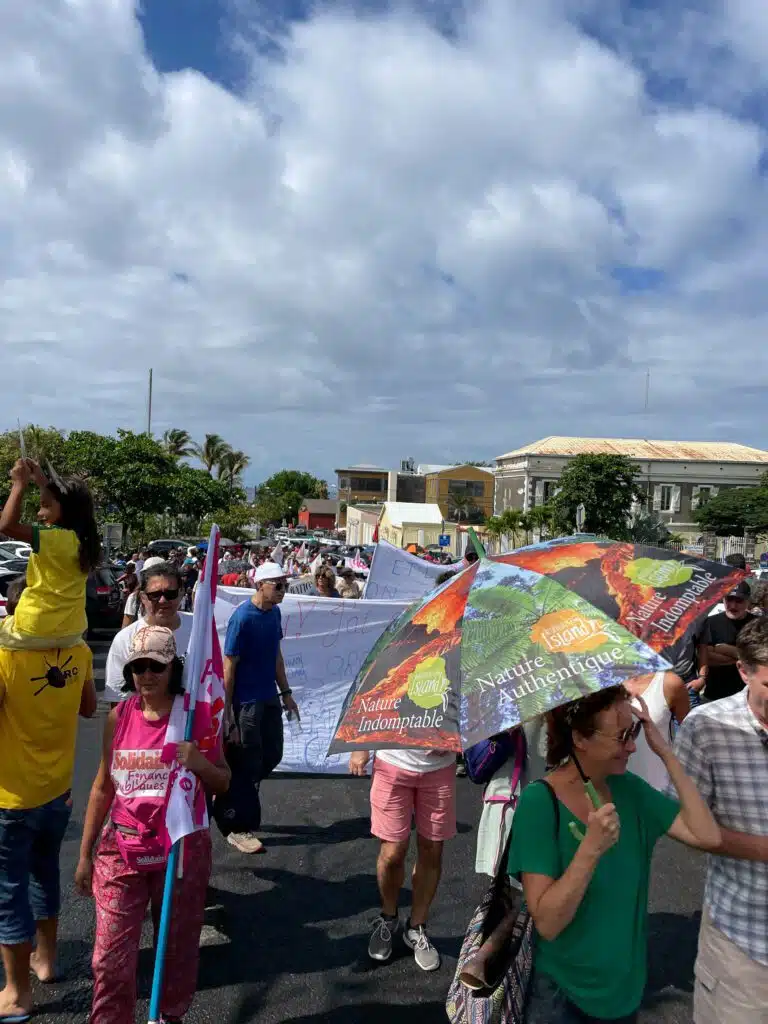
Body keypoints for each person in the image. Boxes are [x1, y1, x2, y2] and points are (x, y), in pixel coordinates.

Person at [509, 685, 720, 1023]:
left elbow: (707, 835)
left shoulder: (630, 791)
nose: (633, 746)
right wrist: (590, 849)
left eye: (634, 731)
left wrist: (666, 752)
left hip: (623, 991)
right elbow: (547, 923)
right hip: (562, 997)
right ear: (580, 738)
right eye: (622, 736)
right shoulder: (540, 803)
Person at [75, 626, 230, 1024]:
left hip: (179, 854)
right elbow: (102, 786)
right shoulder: (118, 717)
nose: (146, 675)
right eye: (138, 667)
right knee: (109, 961)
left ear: (172, 668)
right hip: (120, 852)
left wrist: (199, 763)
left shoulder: (194, 716)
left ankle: (168, 1017)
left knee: (175, 954)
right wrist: (84, 853)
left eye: (155, 667)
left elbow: (224, 780)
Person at [671, 617, 768, 1023]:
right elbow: (679, 820)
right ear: (744, 672)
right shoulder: (708, 727)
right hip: (744, 940)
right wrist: (759, 849)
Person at [0, 625, 96, 1020]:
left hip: (12, 797)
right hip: (58, 791)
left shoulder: (7, 655)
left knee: (9, 890)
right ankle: (47, 960)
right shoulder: (80, 650)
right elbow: (88, 707)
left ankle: (17, 993)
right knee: (44, 873)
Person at [349, 743, 458, 972]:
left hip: (440, 766)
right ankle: (388, 917)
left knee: (432, 850)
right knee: (392, 853)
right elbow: (367, 704)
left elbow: (472, 708)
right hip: (392, 763)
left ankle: (417, 926)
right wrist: (360, 745)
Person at [222, 562, 299, 854]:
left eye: (284, 585)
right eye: (277, 585)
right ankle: (238, 826)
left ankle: (236, 796)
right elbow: (230, 666)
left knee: (273, 755)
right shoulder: (242, 618)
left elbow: (276, 655)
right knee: (247, 763)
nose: (282, 591)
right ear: (260, 585)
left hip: (268, 698)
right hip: (247, 704)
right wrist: (228, 713)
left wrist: (286, 693)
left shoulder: (274, 613)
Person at [0, 458, 100, 649]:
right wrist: (41, 479)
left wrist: (19, 484)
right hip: (71, 631)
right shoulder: (83, 540)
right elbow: (61, 500)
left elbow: (7, 526)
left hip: (34, 626)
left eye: (44, 505)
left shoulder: (51, 537)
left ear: (66, 509)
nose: (39, 513)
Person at [104, 562, 192, 703]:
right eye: (155, 595)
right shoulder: (125, 639)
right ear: (143, 597)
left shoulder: (201, 630)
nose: (163, 600)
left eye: (170, 594)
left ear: (181, 593)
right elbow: (119, 701)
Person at [624, 670, 690, 790]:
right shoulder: (595, 686)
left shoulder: (669, 683)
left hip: (660, 786)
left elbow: (688, 736)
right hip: (612, 788)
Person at [694, 581, 758, 702]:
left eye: (739, 601)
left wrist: (722, 649)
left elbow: (759, 658)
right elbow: (704, 657)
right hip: (714, 695)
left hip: (749, 696)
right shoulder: (710, 623)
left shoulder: (758, 624)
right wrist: (742, 657)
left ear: (748, 601)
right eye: (729, 599)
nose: (733, 605)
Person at [120, 556, 166, 628]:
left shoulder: (174, 597)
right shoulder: (134, 598)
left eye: (159, 574)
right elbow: (125, 629)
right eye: (150, 574)